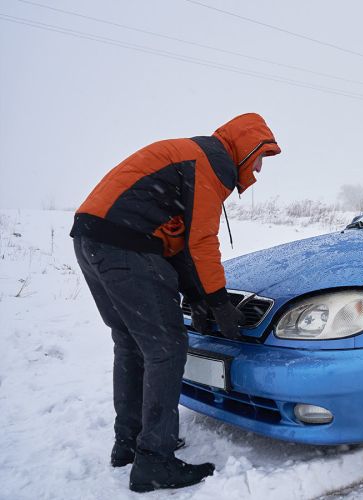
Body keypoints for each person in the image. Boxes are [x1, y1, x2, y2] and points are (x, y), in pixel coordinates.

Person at [70, 113, 281, 492]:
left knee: (132, 343)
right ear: (246, 147)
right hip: (124, 246)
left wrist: (197, 297)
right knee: (166, 348)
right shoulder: (208, 162)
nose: (260, 169)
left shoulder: (190, 155)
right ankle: (154, 459)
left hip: (92, 237)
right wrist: (218, 303)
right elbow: (200, 241)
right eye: (261, 158)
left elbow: (177, 242)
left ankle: (130, 443)